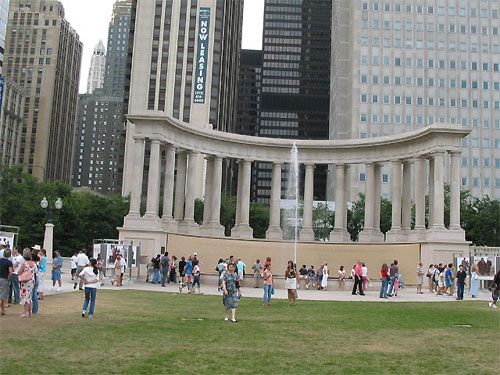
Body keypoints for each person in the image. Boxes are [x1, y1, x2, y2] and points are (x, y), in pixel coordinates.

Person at [18, 250, 36, 317]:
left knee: (25, 296)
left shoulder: (24, 263)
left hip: (25, 281)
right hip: (31, 280)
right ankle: (30, 311)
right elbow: (36, 271)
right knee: (29, 295)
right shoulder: (34, 264)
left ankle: (26, 312)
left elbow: (19, 272)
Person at [0, 249, 13, 315]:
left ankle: (3, 310)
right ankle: (2, 309)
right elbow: (10, 272)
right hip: (4, 278)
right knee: (2, 296)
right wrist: (9, 278)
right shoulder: (9, 262)